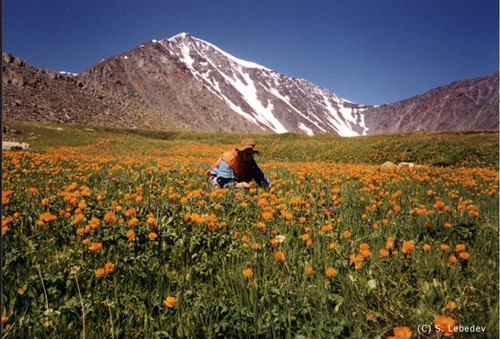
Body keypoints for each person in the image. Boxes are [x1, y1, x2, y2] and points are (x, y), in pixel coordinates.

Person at [207, 139, 271, 189]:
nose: (250, 156)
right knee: (222, 189)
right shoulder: (229, 159)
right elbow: (222, 181)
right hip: (219, 177)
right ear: (241, 152)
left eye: (252, 154)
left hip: (234, 179)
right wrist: (237, 185)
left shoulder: (250, 160)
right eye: (248, 153)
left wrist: (268, 186)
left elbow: (259, 175)